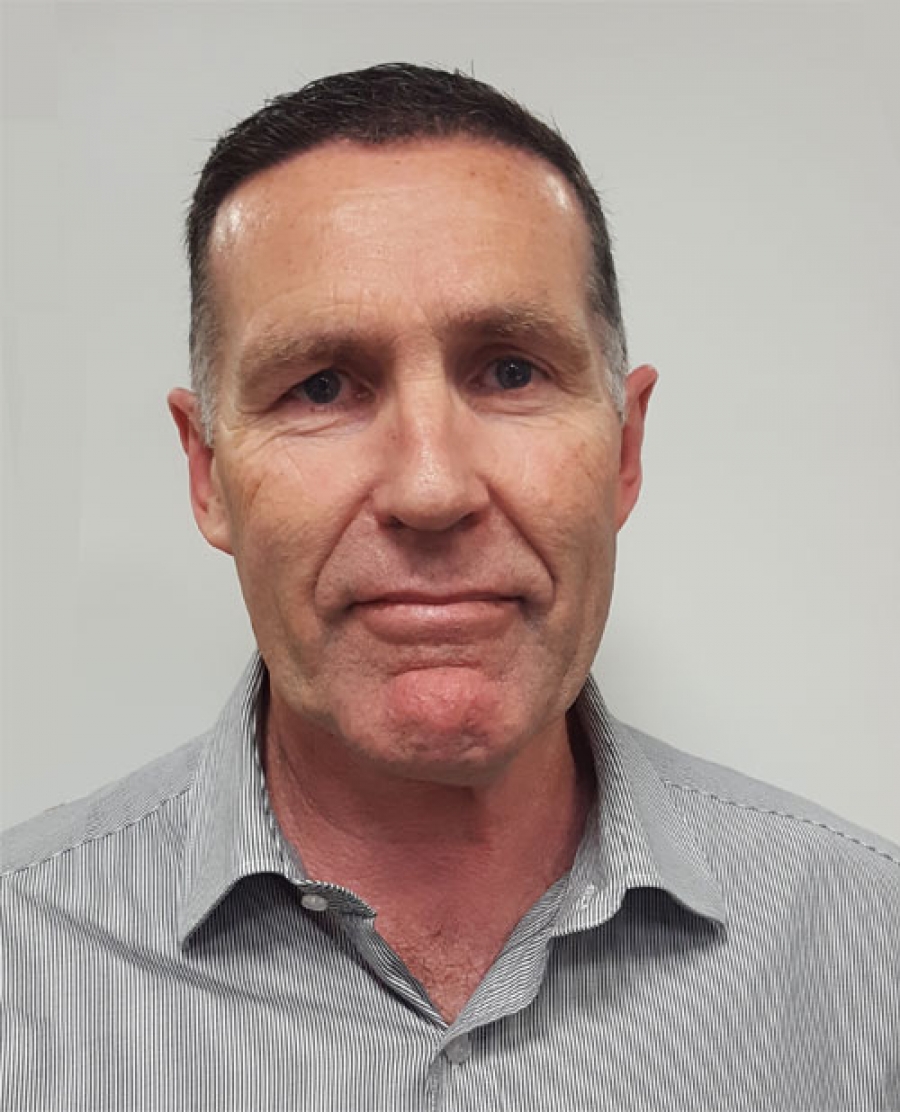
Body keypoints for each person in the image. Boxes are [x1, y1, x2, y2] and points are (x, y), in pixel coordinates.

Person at [1, 63, 897, 1112]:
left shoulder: (867, 949)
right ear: (208, 475)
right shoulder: (24, 960)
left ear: (624, 451)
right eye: (322, 386)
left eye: (511, 371)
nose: (430, 488)